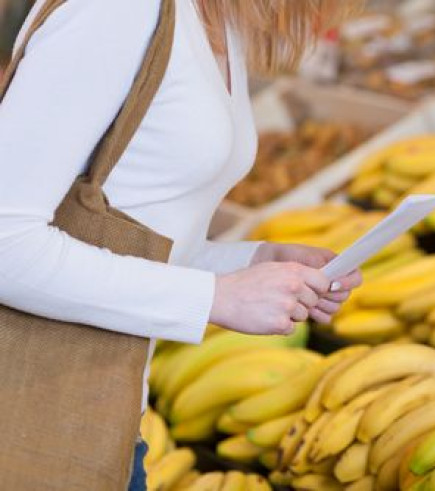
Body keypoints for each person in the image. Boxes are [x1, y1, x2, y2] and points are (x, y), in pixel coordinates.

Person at [0, 0, 362, 488]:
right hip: (36, 421)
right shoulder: (115, 10)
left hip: (108, 416)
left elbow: (132, 220)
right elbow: (6, 244)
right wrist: (216, 297)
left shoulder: (212, 16)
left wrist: (249, 261)